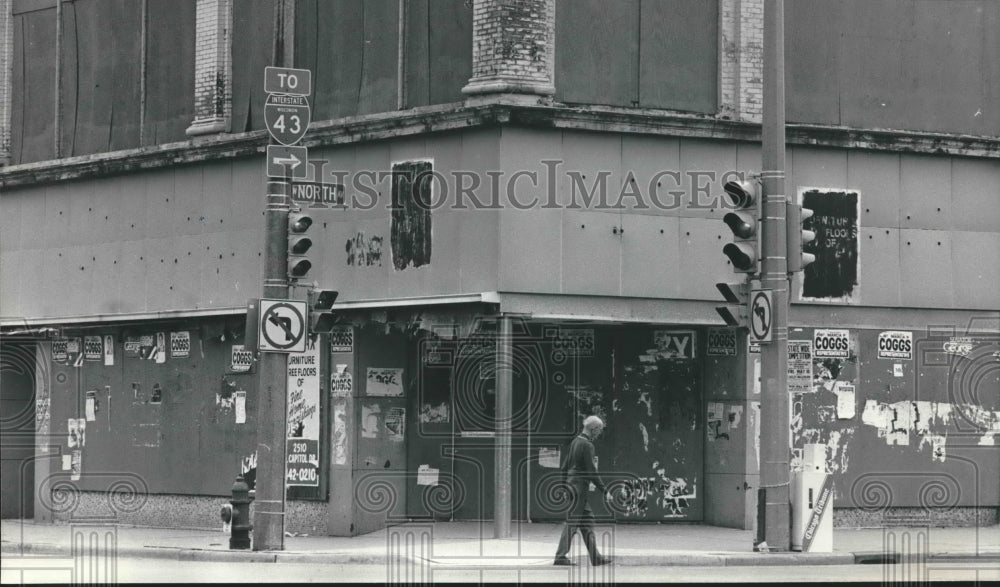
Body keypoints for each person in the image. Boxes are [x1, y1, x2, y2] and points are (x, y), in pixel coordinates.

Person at [553, 415, 613, 566]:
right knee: (572, 524)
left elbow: (564, 467)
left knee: (587, 521)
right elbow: (591, 472)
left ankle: (596, 557)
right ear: (594, 429)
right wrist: (605, 491)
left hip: (572, 487)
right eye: (599, 430)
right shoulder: (587, 445)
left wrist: (563, 486)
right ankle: (560, 556)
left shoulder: (575, 441)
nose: (599, 433)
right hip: (579, 490)